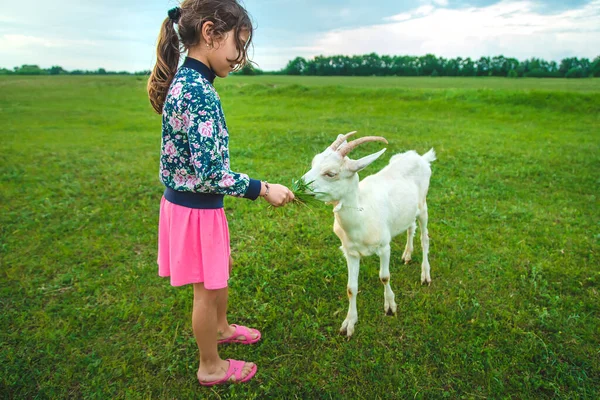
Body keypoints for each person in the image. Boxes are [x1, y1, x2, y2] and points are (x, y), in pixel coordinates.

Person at [147, 0, 294, 386]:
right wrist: (263, 189)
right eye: (238, 45)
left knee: (218, 275)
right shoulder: (198, 92)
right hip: (196, 208)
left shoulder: (190, 81)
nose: (240, 58)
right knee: (206, 291)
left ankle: (223, 327)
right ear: (211, 34)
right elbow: (212, 172)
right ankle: (210, 366)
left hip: (194, 206)